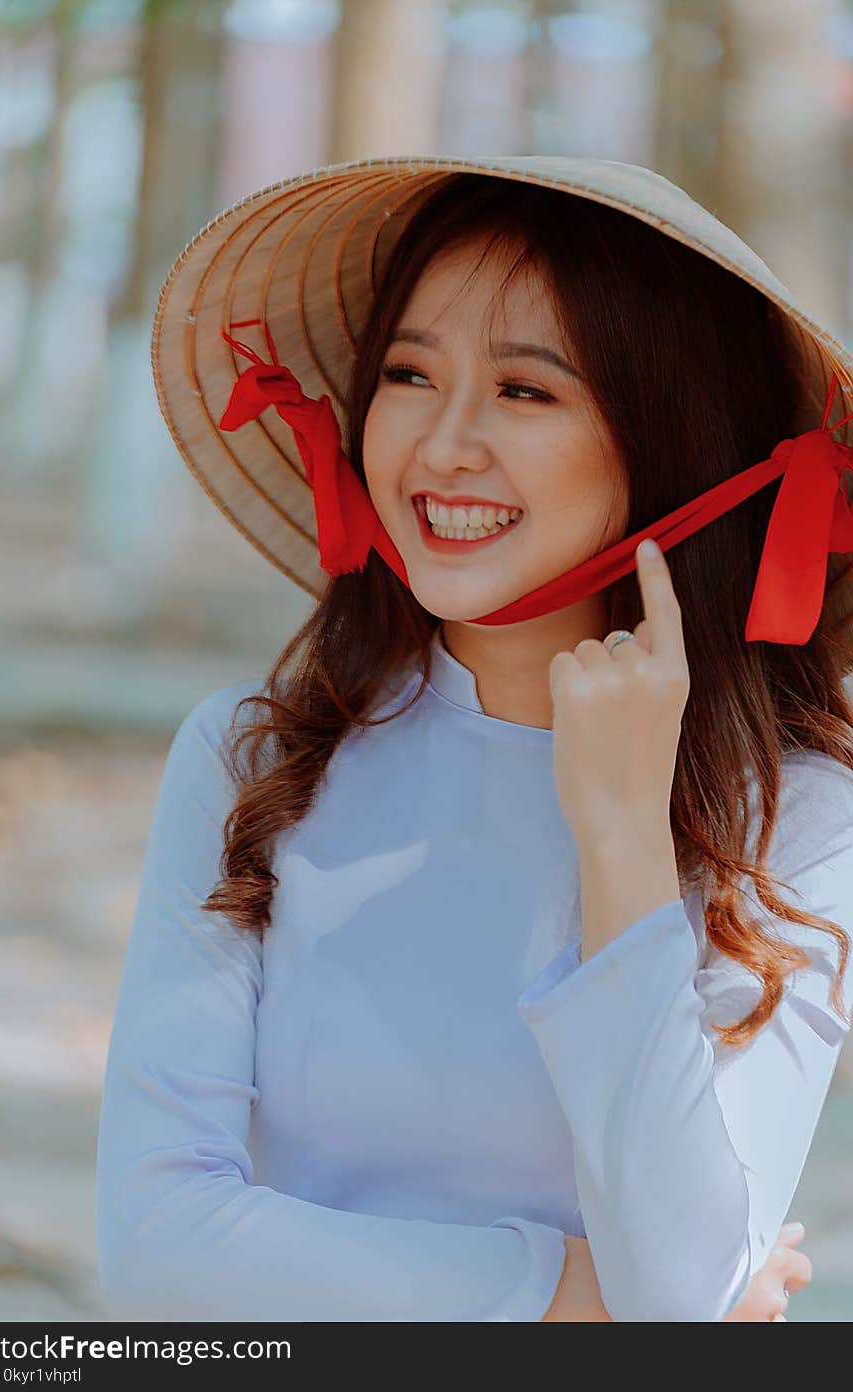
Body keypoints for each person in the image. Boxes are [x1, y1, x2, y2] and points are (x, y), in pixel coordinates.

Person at [96, 155, 853, 1322]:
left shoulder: (795, 821)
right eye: (408, 375)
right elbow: (154, 1248)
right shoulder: (253, 764)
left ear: (671, 441)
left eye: (524, 391)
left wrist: (619, 841)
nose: (442, 446)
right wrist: (559, 1293)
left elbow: (681, 1286)